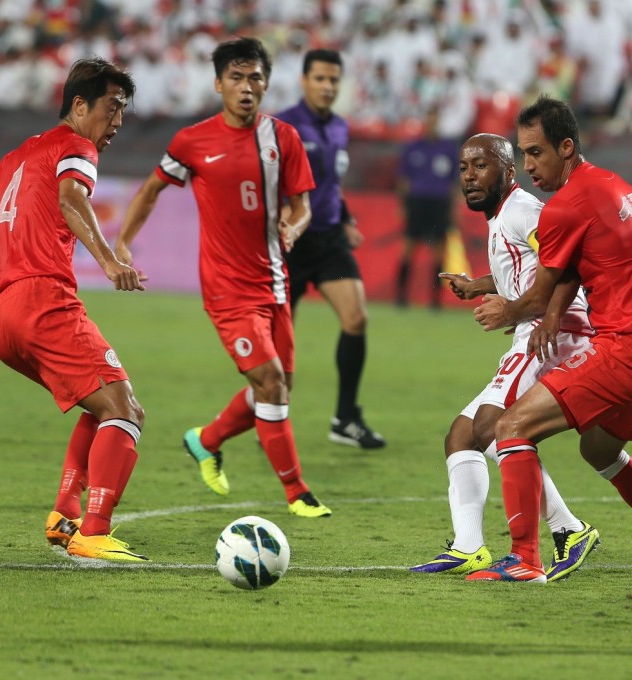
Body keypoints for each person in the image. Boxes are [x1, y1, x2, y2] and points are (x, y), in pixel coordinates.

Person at [0, 57, 149, 561]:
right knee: (126, 411)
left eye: (123, 112)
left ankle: (64, 513)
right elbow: (71, 198)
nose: (117, 123)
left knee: (99, 403)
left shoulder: (19, 156)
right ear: (78, 104)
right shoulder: (77, 147)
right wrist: (111, 261)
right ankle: (92, 532)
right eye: (112, 109)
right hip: (42, 302)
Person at [468, 95, 632, 582]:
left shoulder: (566, 204)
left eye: (536, 153)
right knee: (600, 451)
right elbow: (580, 263)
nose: (528, 166)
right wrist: (553, 312)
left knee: (511, 428)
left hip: (626, 348)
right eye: (522, 154)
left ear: (566, 147)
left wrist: (512, 308)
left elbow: (535, 295)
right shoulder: (611, 185)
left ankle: (525, 561)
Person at [115, 37, 331, 518]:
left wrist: (292, 229)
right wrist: (124, 242)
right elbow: (151, 190)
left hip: (274, 282)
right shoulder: (193, 141)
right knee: (271, 383)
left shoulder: (285, 139)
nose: (247, 86)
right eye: (236, 77)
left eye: (255, 77)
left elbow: (302, 207)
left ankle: (206, 439)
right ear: (218, 84)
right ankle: (297, 492)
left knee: (278, 388)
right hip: (226, 289)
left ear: (267, 84)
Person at [410, 133, 600, 581]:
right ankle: (468, 547)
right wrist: (477, 285)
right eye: (463, 168)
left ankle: (568, 529)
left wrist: (533, 315)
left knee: (492, 425)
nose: (470, 176)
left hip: (553, 334)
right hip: (533, 331)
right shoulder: (501, 217)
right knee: (461, 435)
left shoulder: (523, 210)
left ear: (508, 170)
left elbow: (566, 263)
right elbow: (526, 271)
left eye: (481, 165)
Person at [274, 49, 385, 450]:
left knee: (355, 319)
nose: (327, 86)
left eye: (334, 80)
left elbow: (329, 187)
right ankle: (270, 415)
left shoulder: (339, 127)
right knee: (280, 338)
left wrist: (346, 218)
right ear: (304, 81)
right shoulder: (283, 124)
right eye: (320, 78)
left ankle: (345, 418)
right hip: (289, 243)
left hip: (329, 242)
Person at [394, 105, 459, 309]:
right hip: (417, 203)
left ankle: (435, 300)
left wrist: (454, 209)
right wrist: (404, 204)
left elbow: (454, 183)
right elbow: (404, 180)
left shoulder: (448, 149)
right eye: (429, 119)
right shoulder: (413, 148)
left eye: (435, 119)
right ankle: (401, 297)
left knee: (439, 252)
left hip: (439, 204)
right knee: (408, 250)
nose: (432, 123)